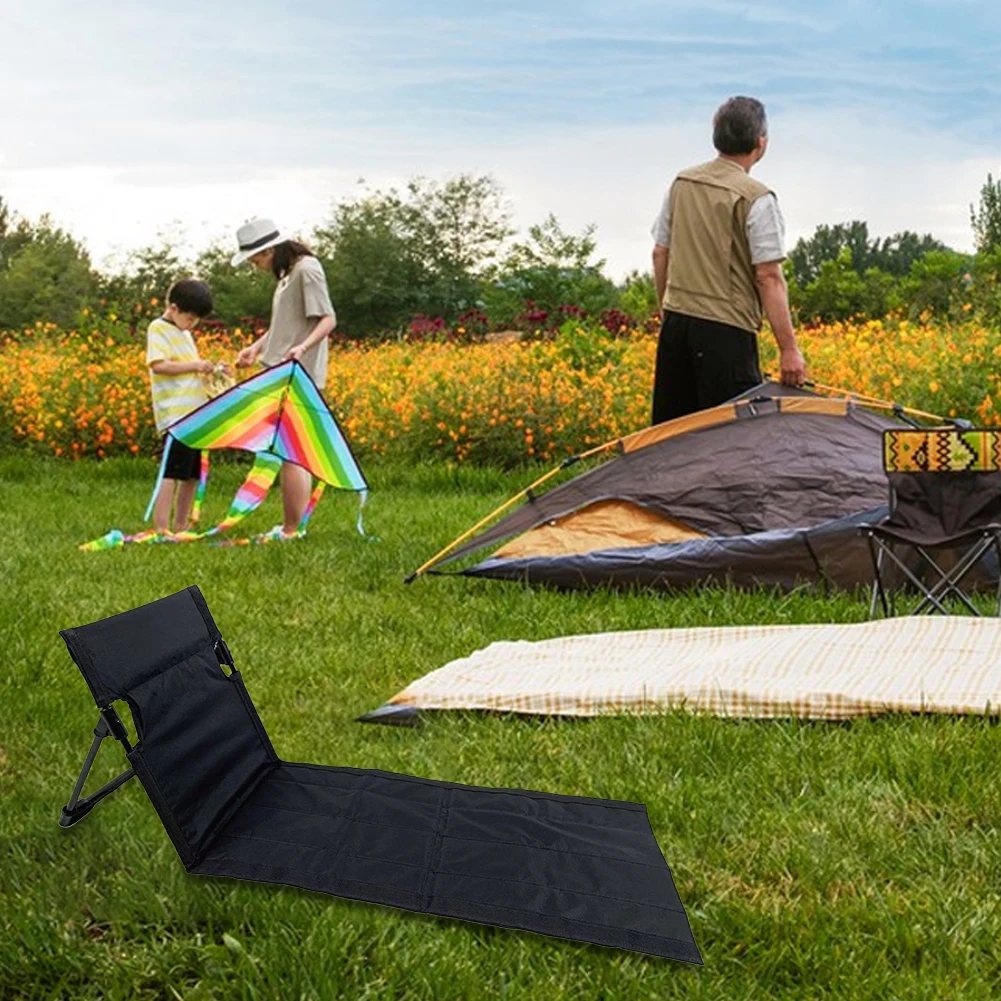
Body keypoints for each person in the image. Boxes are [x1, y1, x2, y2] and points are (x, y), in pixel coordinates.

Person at [650, 95, 807, 424]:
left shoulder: (682, 182)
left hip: (677, 323)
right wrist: (789, 350)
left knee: (671, 436)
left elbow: (660, 252)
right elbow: (768, 277)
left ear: (715, 133)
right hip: (727, 333)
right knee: (731, 443)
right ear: (760, 143)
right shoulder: (757, 198)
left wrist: (667, 310)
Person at [232, 217, 337, 540]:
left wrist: (302, 348)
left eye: (258, 258)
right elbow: (284, 324)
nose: (257, 266)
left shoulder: (307, 270)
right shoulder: (288, 275)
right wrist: (255, 347)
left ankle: (291, 529)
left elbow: (328, 319)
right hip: (278, 369)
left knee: (289, 452)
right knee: (290, 451)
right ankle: (294, 528)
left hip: (296, 372)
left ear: (273, 249)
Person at [146, 278, 216, 534]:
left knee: (192, 475)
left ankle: (181, 524)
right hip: (176, 417)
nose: (192, 324)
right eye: (189, 318)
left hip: (195, 414)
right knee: (172, 472)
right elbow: (159, 365)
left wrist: (211, 372)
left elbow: (190, 373)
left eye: (196, 320)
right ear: (173, 308)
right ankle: (162, 526)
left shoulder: (184, 334)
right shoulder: (159, 328)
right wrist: (196, 366)